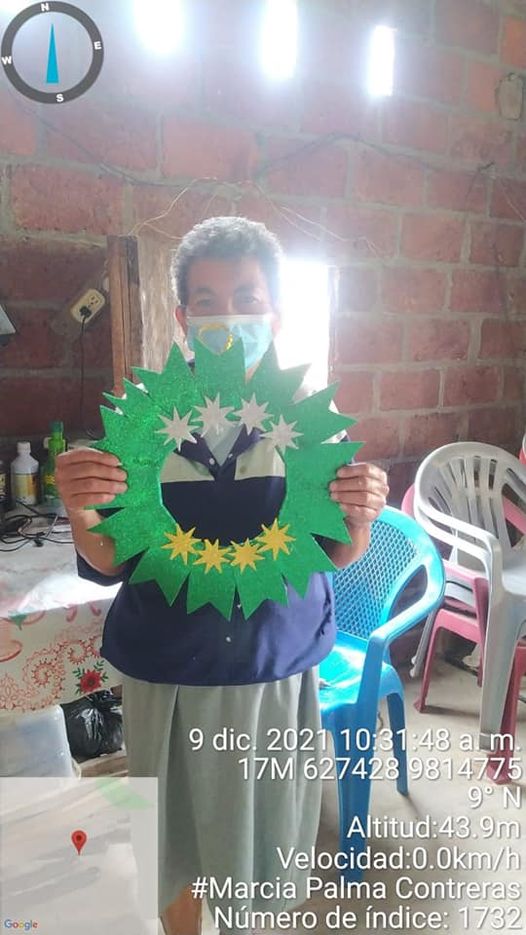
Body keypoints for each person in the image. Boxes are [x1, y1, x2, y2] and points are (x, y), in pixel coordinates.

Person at [56, 217, 388, 935]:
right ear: (182, 318)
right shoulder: (145, 425)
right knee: (172, 839)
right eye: (206, 302)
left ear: (276, 313)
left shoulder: (311, 425)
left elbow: (333, 552)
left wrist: (360, 519)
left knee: (259, 848)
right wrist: (81, 511)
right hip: (167, 666)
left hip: (271, 666)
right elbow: (113, 559)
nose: (227, 317)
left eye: (246, 298)